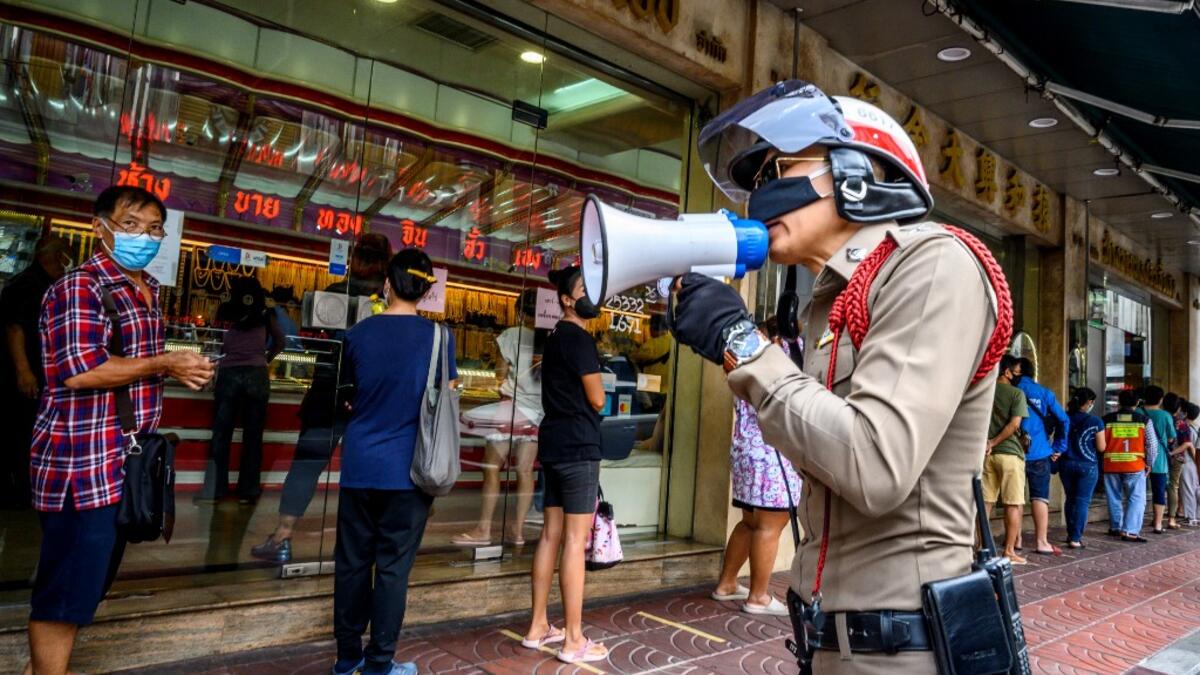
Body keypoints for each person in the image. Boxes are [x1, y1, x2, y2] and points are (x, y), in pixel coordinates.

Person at [667, 81, 1011, 672]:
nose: (761, 195)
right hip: (829, 637)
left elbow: (875, 465)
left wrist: (741, 342)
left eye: (777, 170)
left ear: (856, 174)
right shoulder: (831, 301)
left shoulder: (931, 264)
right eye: (754, 182)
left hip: (905, 649)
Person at [23, 186, 214, 675]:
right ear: (99, 226)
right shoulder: (80, 287)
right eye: (130, 225)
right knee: (64, 594)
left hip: (120, 465)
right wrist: (166, 363)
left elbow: (135, 367)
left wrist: (174, 367)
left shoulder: (145, 289)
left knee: (88, 585)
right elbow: (80, 369)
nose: (144, 237)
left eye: (153, 229)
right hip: (81, 465)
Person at [331, 248, 454, 675]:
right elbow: (447, 393)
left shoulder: (356, 335)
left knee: (351, 564)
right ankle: (380, 663)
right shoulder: (439, 338)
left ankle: (347, 659)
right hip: (410, 472)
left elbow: (343, 397)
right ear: (425, 290)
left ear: (388, 283)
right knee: (392, 569)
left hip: (360, 465)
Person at [251, 236, 390, 563]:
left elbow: (314, 342)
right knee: (368, 473)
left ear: (354, 258)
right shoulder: (386, 300)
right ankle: (363, 546)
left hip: (328, 391)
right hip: (370, 396)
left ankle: (283, 537)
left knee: (306, 466)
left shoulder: (333, 292)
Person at [523, 265, 608, 665]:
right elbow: (597, 399)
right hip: (578, 446)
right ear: (566, 298)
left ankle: (538, 625)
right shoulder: (579, 339)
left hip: (554, 443)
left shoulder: (554, 337)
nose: (591, 293)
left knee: (550, 536)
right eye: (583, 288)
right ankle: (573, 639)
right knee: (575, 541)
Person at [711, 318, 802, 617]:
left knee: (750, 521)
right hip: (772, 453)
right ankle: (759, 596)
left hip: (747, 450)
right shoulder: (782, 354)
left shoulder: (745, 354)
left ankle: (726, 583)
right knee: (770, 525)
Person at [455, 288, 544, 547]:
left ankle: (484, 529)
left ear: (518, 311)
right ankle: (516, 532)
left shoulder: (510, 335)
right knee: (525, 470)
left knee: (492, 466)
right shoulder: (547, 339)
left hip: (510, 409)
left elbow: (499, 374)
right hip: (536, 414)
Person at [199, 276, 284, 504]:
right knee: (253, 436)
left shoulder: (225, 311)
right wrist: (264, 359)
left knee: (221, 435)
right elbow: (280, 342)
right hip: (257, 376)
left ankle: (216, 490)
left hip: (229, 374)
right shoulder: (264, 313)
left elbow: (214, 342)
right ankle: (249, 491)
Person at [1, 235, 71, 509]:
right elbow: (14, 326)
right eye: (62, 257)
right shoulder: (28, 284)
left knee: (26, 432)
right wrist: (23, 370)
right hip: (22, 371)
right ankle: (15, 492)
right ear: (48, 256)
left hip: (37, 371)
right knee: (18, 432)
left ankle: (23, 489)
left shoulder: (48, 283)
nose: (65, 264)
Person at [1014, 357, 1070, 556]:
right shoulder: (1044, 393)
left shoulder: (1012, 391)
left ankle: (1016, 539)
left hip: (1015, 452)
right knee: (1040, 498)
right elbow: (1063, 420)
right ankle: (1041, 541)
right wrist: (1058, 447)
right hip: (1040, 453)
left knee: (1016, 498)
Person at [985, 355, 1029, 564]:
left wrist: (988, 444)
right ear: (1006, 371)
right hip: (1010, 454)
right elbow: (1014, 425)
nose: (1018, 374)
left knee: (985, 503)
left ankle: (981, 547)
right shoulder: (1016, 393)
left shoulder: (985, 391)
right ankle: (1009, 551)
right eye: (1016, 370)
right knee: (1013, 504)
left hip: (986, 455)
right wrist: (994, 441)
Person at [1101, 388, 1159, 543]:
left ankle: (1116, 527)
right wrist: (1149, 464)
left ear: (1119, 402)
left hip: (1111, 464)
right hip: (1134, 465)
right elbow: (1152, 445)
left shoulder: (1106, 419)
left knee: (1114, 497)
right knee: (1136, 498)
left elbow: (1099, 443)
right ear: (1137, 403)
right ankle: (1130, 531)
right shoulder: (1144, 420)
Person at [1060, 387, 1104, 549]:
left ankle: (1070, 533)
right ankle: (1075, 538)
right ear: (1088, 403)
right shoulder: (1095, 422)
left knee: (1070, 499)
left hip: (1066, 463)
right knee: (1082, 501)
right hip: (1088, 465)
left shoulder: (1064, 417)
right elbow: (1101, 447)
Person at [1138, 385, 1176, 534]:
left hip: (1139, 457)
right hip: (1159, 460)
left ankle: (1135, 523)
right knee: (1159, 492)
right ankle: (1158, 524)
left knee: (1136, 492)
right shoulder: (1166, 415)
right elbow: (1172, 437)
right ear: (1161, 399)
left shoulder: (1138, 412)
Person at [1162, 392, 1187, 529]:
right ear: (1178, 408)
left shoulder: (1160, 418)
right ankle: (1171, 519)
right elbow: (1186, 444)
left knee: (1159, 486)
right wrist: (1173, 452)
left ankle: (1157, 518)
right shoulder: (1181, 424)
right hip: (1177, 458)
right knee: (1173, 486)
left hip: (1161, 457)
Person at [1180, 402, 1200, 525]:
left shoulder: (1186, 427)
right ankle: (1195, 515)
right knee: (1194, 489)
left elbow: (1192, 448)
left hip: (1189, 462)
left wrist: (1195, 462)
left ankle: (1191, 517)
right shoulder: (1196, 427)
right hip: (1193, 463)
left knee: (1188, 490)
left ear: (1186, 413)